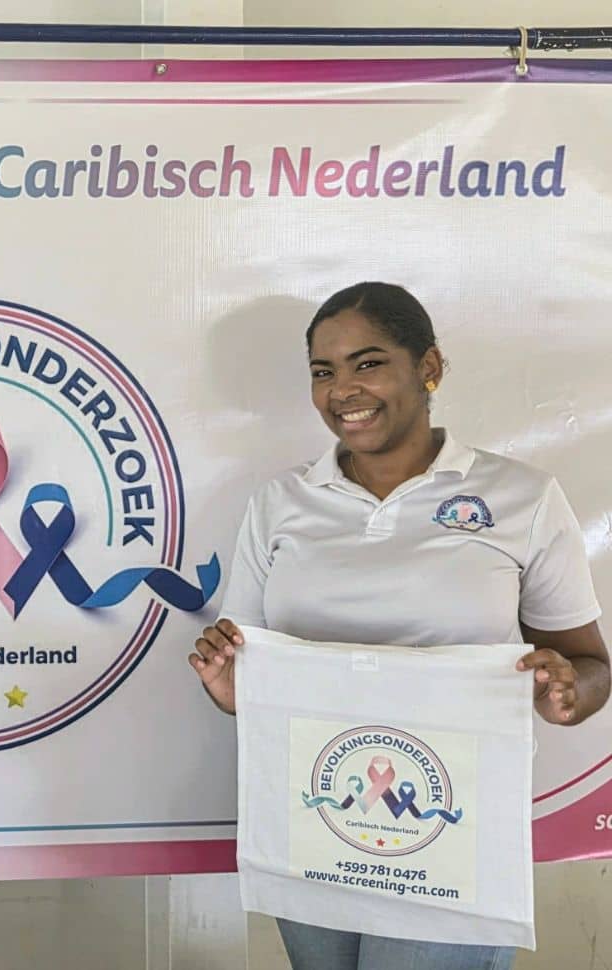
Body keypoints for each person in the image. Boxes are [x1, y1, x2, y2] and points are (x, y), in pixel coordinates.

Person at [188, 282, 609, 970]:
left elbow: (590, 667)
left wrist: (565, 692)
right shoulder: (281, 503)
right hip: (318, 818)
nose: (343, 390)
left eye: (368, 363)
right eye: (323, 371)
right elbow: (248, 668)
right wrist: (232, 689)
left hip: (450, 829)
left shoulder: (521, 497)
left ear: (429, 367)